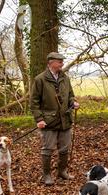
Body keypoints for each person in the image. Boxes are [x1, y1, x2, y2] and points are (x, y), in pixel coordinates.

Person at [30, 52, 79, 186]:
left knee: (64, 148)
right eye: (59, 61)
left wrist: (72, 103)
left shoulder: (65, 78)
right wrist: (39, 119)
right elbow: (34, 102)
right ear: (50, 63)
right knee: (48, 149)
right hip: (48, 122)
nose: (62, 64)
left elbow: (70, 95)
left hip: (65, 120)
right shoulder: (40, 79)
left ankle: (62, 172)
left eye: (62, 61)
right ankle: (46, 175)